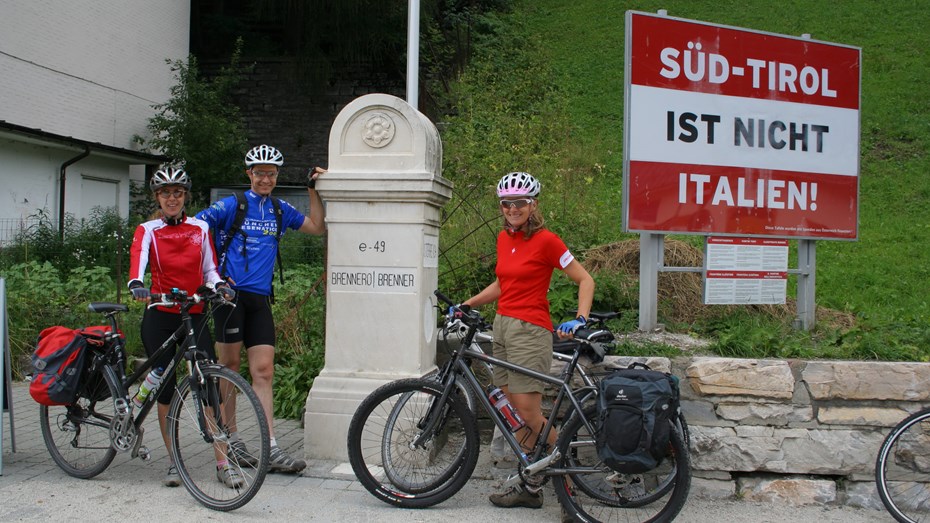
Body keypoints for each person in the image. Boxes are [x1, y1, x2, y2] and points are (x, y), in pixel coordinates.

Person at [454, 171, 594, 513]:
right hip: (502, 327)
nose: (512, 209)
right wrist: (468, 304)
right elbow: (504, 284)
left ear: (533, 205)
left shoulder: (548, 241)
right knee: (512, 413)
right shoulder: (505, 239)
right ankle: (532, 487)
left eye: (520, 202)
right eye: (506, 203)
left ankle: (569, 485)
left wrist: (581, 319)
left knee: (529, 413)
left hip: (529, 331)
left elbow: (585, 279)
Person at [196, 144, 326, 473]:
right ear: (249, 174)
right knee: (228, 367)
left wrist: (313, 189)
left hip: (260, 300)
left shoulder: (280, 209)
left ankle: (271, 447)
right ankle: (232, 439)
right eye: (259, 172)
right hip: (230, 298)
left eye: (271, 173)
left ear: (276, 175)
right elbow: (196, 228)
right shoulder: (233, 205)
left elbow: (316, 227)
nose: (265, 178)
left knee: (264, 371)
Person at [127, 166, 237, 487]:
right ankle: (174, 462)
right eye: (165, 193)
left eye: (178, 193)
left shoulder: (200, 228)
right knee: (166, 387)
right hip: (160, 313)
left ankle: (222, 463)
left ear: (185, 196)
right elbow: (139, 260)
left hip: (195, 312)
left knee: (208, 389)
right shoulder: (147, 230)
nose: (172, 198)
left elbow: (210, 269)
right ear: (157, 198)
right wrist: (136, 282)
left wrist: (217, 286)